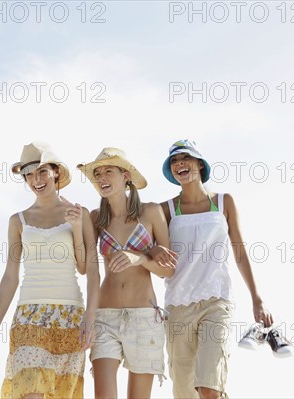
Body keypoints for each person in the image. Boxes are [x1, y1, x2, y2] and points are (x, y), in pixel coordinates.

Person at [0, 142, 100, 399]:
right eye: (28, 175)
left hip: (69, 315)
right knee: (32, 393)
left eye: (41, 171)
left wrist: (90, 317)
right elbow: (10, 276)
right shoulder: (18, 220)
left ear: (55, 171)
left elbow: (88, 269)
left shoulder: (80, 213)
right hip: (29, 316)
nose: (36, 180)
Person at [153, 139, 274, 399]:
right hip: (177, 306)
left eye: (185, 158)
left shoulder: (223, 202)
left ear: (200, 164)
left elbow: (240, 252)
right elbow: (154, 255)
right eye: (174, 161)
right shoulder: (165, 210)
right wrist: (152, 252)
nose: (179, 164)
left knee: (209, 386)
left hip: (216, 302)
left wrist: (257, 299)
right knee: (184, 391)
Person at [77, 147, 178, 399]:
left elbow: (168, 271)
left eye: (108, 171)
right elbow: (86, 267)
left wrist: (139, 258)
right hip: (105, 316)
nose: (101, 177)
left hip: (144, 317)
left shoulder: (151, 212)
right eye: (97, 173)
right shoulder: (96, 217)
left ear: (125, 176)